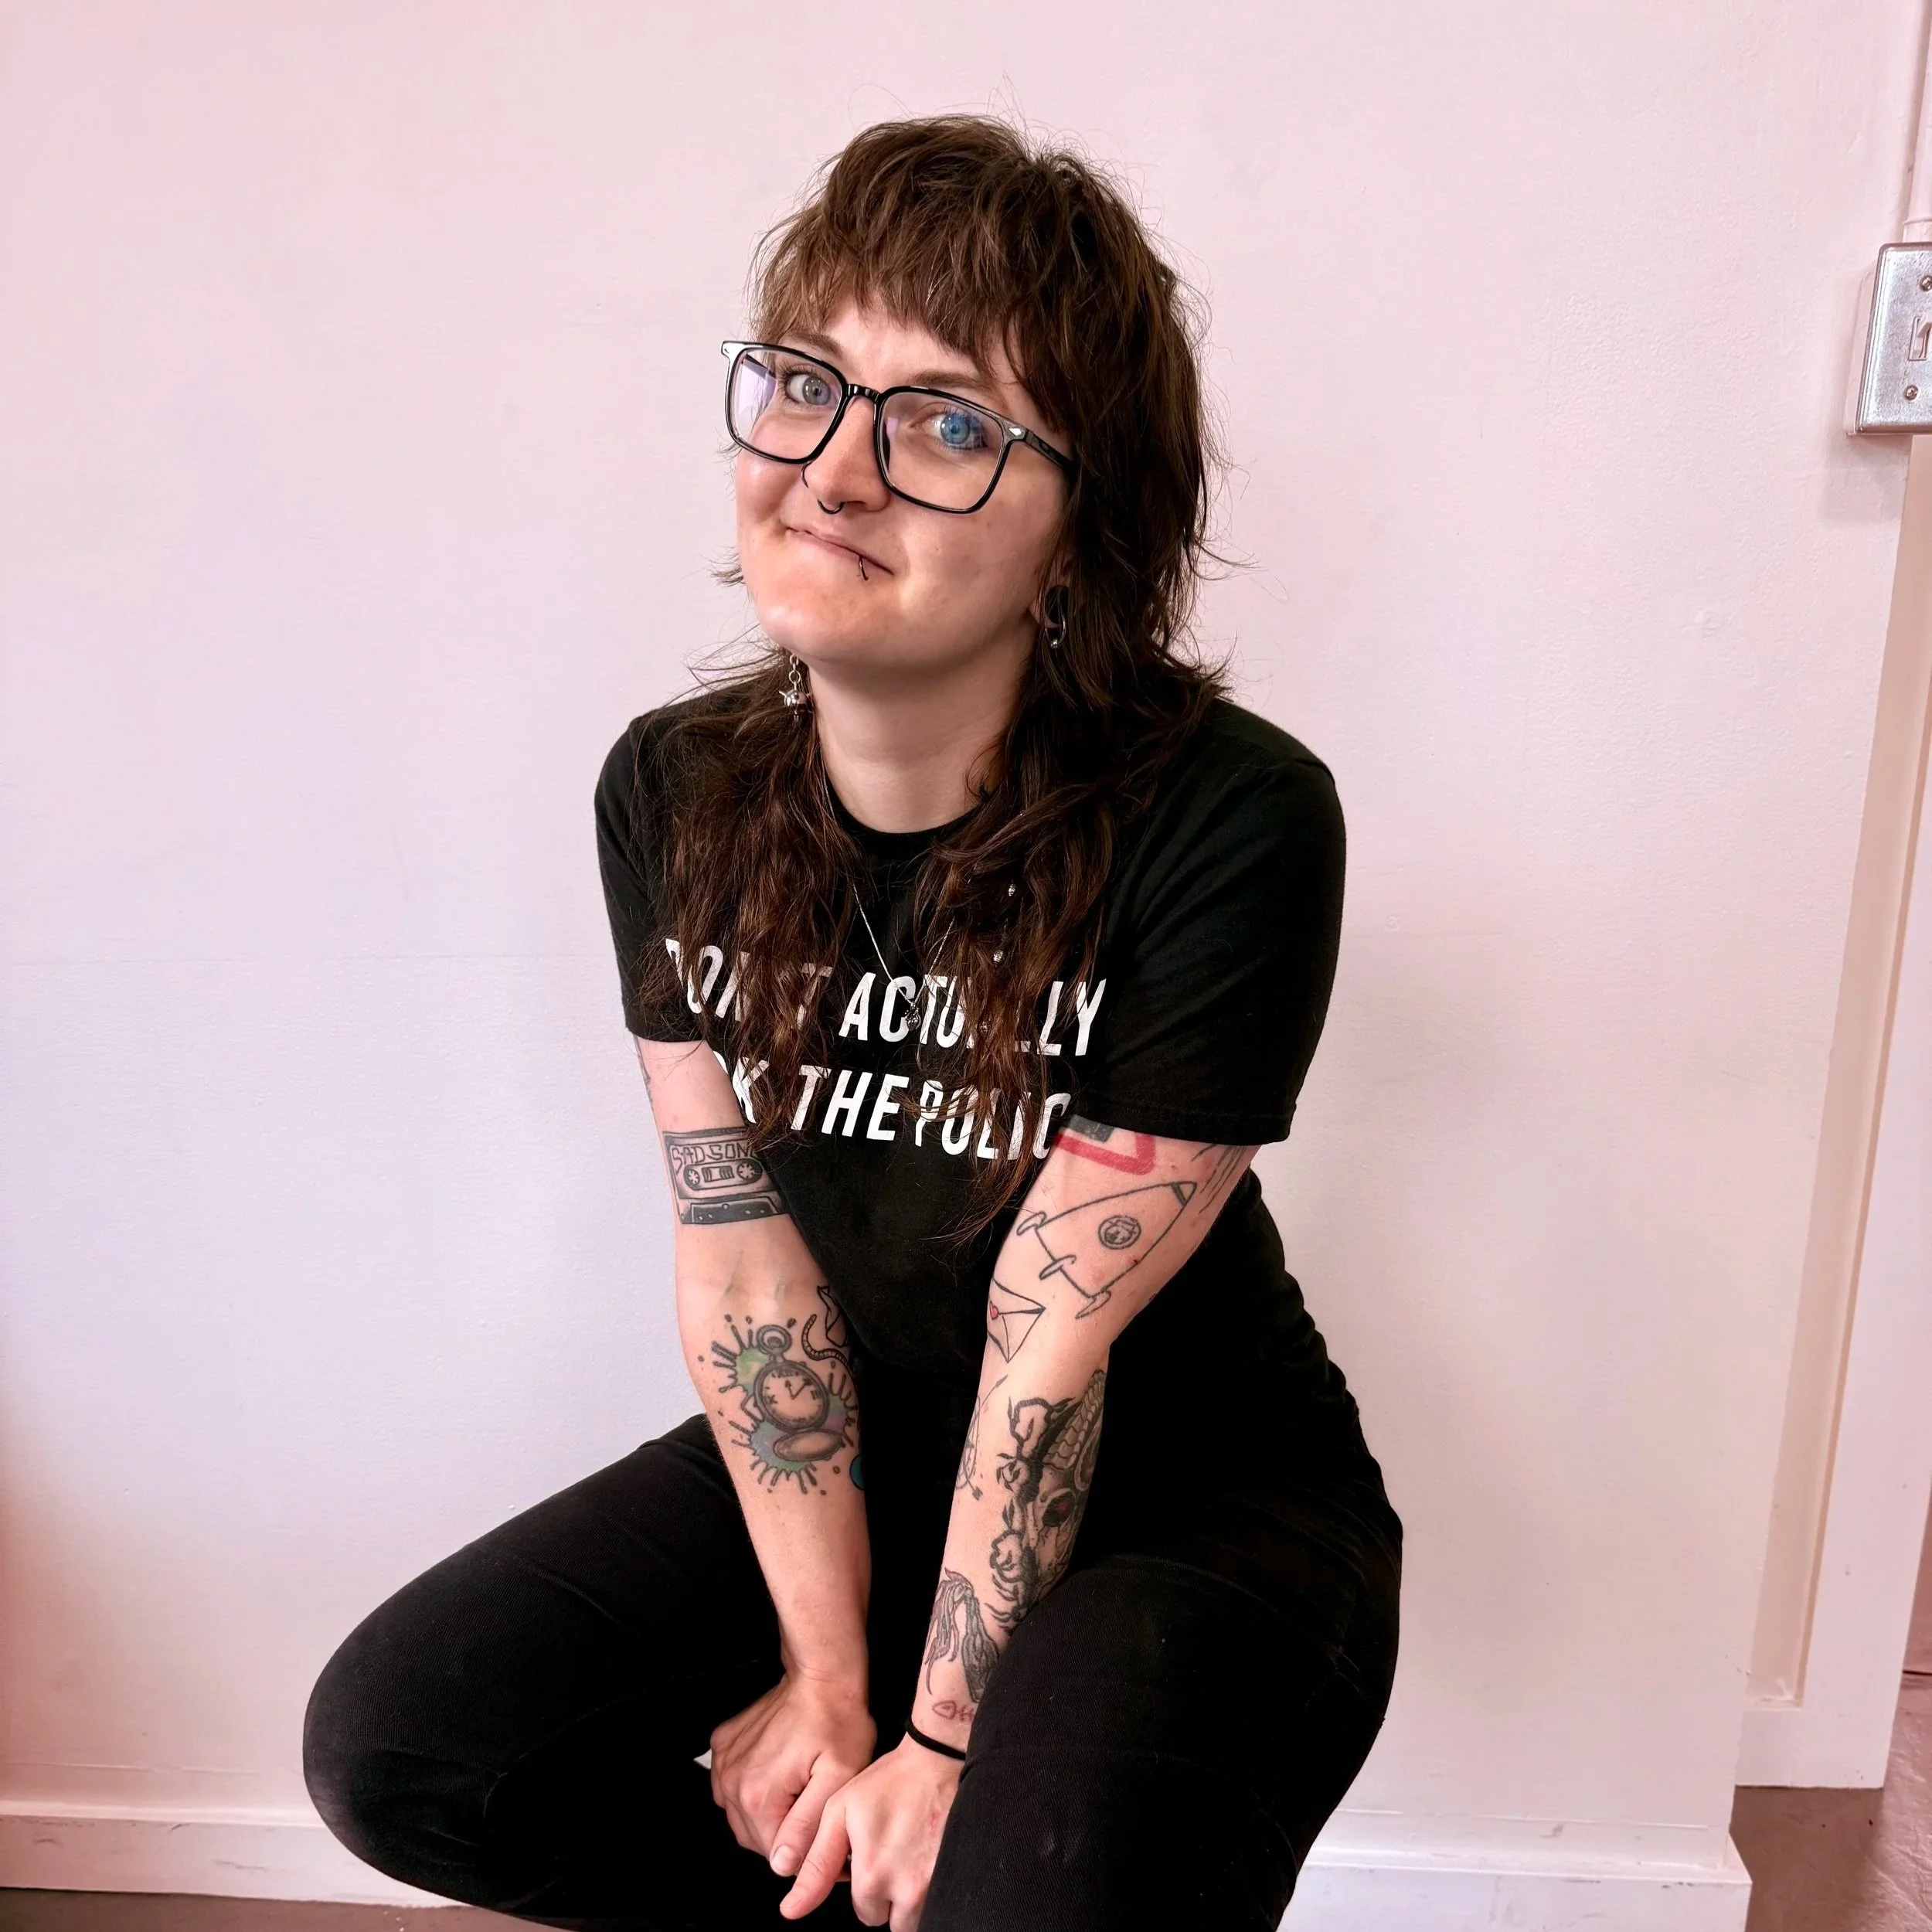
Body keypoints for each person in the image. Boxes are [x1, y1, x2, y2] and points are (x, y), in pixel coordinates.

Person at [302, 114, 1401, 1932]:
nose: (835, 465)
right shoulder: (674, 792)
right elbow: (746, 1269)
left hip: (1196, 1500)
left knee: (1010, 1877)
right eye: (808, 383)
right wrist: (828, 1684)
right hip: (874, 1451)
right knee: (410, 1741)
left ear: (1082, 536)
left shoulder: (1225, 811)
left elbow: (1050, 1340)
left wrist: (945, 1745)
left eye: (948, 422)